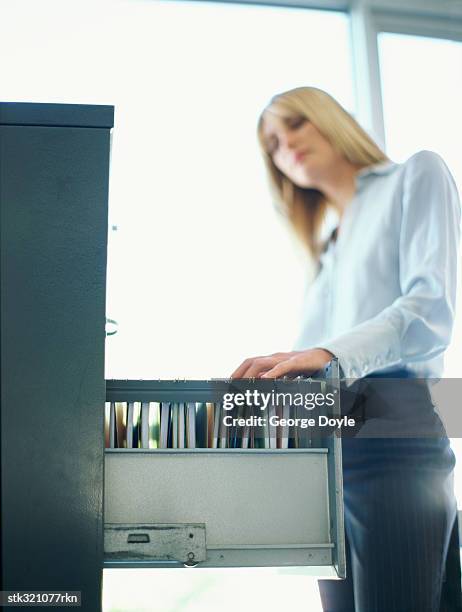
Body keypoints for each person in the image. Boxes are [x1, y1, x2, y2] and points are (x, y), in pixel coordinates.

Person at [231, 86, 461, 611]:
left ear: (330, 119)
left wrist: (329, 354)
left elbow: (430, 311)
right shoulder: (327, 249)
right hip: (330, 449)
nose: (285, 145)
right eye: (271, 144)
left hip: (395, 431)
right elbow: (308, 361)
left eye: (295, 124)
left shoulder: (416, 175)